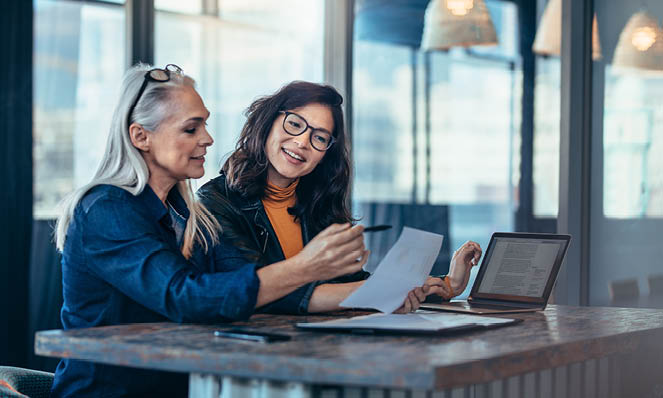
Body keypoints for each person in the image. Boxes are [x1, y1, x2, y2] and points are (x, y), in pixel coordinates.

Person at [52, 65, 431, 397]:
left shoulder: (185, 212)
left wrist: (391, 290)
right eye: (191, 128)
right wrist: (306, 267)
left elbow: (241, 288)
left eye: (205, 123)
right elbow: (185, 297)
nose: (208, 138)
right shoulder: (106, 209)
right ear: (140, 137)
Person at [198, 81, 483, 313]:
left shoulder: (317, 204)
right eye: (295, 124)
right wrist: (381, 293)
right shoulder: (215, 202)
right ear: (268, 122)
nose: (302, 142)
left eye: (320, 137)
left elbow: (350, 284)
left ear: (325, 154)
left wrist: (447, 284)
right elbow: (260, 291)